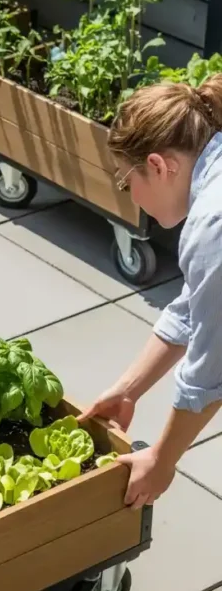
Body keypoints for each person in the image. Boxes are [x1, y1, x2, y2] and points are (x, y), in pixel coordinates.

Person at [82, 74, 222, 510]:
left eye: (128, 183)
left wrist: (162, 460)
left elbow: (211, 366)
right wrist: (128, 389)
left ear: (160, 166)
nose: (133, 199)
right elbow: (198, 305)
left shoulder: (213, 225)